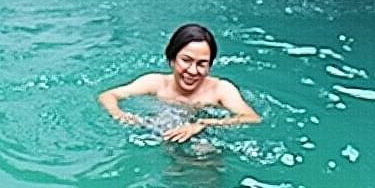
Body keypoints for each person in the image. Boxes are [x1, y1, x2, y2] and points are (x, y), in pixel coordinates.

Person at [97, 23, 261, 143]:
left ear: (209, 66)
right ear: (172, 59)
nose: (192, 70)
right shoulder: (155, 83)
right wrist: (120, 115)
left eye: (201, 63)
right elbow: (108, 95)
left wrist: (204, 124)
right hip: (162, 134)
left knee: (203, 152)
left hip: (206, 139)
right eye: (186, 60)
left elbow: (251, 118)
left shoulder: (220, 89)